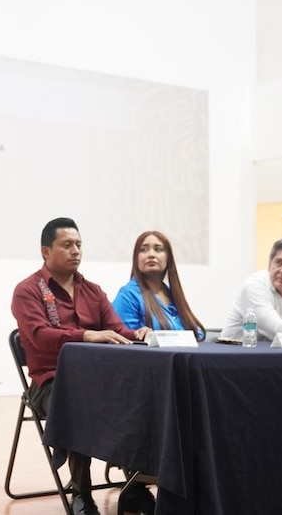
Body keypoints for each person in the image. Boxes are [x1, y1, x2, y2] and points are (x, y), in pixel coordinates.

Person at [11, 217, 151, 515]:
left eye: (78, 245)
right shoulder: (28, 291)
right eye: (67, 245)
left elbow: (117, 330)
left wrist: (139, 333)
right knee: (79, 400)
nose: (76, 251)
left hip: (97, 382)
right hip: (50, 384)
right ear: (46, 251)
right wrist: (86, 334)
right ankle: (81, 494)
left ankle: (135, 487)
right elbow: (38, 336)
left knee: (141, 397)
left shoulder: (93, 291)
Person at [113, 230, 205, 340]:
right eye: (143, 250)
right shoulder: (128, 295)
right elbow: (126, 340)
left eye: (158, 249)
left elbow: (197, 333)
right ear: (136, 258)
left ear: (168, 258)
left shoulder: (173, 294)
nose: (151, 255)